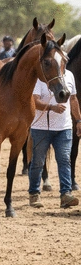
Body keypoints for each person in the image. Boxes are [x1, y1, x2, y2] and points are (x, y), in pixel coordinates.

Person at [28, 69, 81, 208]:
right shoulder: (40, 78)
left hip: (64, 127)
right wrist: (52, 107)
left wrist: (79, 120)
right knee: (38, 162)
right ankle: (34, 193)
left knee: (64, 160)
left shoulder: (69, 75)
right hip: (41, 128)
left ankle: (66, 194)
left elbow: (73, 99)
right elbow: (34, 101)